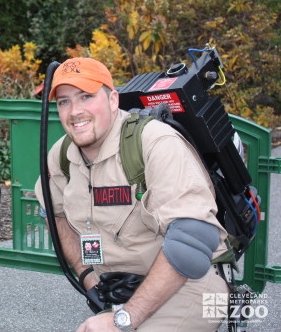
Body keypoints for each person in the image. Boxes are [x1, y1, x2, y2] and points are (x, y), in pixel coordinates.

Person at [34, 58, 230, 331]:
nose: (74, 111)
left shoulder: (155, 142)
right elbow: (52, 213)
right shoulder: (62, 154)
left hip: (189, 286)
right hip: (116, 288)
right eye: (63, 101)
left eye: (86, 96)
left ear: (113, 99)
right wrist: (88, 276)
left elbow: (193, 241)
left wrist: (123, 320)